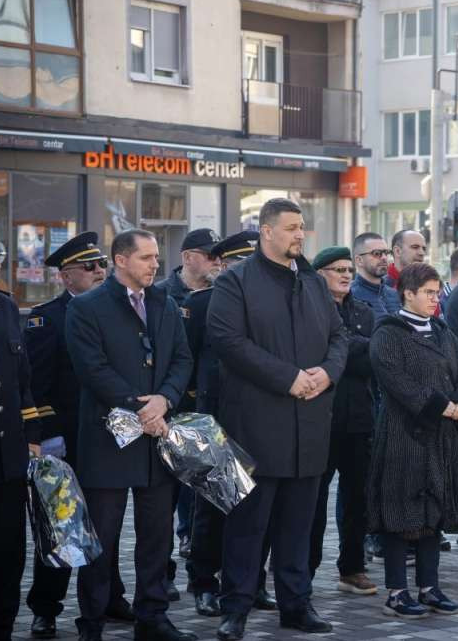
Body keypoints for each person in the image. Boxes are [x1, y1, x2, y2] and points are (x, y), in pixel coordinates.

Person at [207, 199, 347, 640]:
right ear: (266, 231)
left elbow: (339, 336)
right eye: (290, 227)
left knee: (298, 527)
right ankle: (236, 608)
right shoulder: (235, 281)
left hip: (309, 426)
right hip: (257, 426)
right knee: (247, 528)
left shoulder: (312, 282)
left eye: (301, 227)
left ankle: (296, 605)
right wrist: (288, 378)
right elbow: (228, 341)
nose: (299, 234)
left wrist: (327, 373)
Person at [65, 229, 195, 641]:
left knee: (157, 536)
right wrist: (142, 407)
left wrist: (165, 399)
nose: (156, 264)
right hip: (107, 443)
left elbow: (182, 359)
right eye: (146, 257)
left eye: (156, 257)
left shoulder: (164, 303)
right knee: (101, 538)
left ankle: (152, 617)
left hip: (156, 441)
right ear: (120, 260)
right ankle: (92, 621)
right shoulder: (87, 307)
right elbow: (92, 369)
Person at [23, 233, 135, 638]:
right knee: (60, 524)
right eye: (90, 267)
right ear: (65, 276)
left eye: (102, 264)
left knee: (107, 524)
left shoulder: (118, 310)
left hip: (106, 436)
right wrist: (49, 436)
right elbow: (36, 384)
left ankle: (110, 597)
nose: (100, 271)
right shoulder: (47, 318)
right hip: (67, 438)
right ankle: (46, 607)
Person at [368, 263, 458, 617]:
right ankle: (397, 592)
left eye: (437, 291)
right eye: (428, 292)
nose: (435, 299)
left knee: (435, 510)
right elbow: (397, 381)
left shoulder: (442, 331)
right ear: (408, 293)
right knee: (401, 512)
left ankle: (430, 587)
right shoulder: (389, 332)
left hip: (444, 438)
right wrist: (443, 406)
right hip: (405, 435)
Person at [181, 232, 276, 618]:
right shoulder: (200, 303)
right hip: (215, 419)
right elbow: (185, 361)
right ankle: (204, 582)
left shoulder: (270, 304)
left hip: (261, 417)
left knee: (259, 510)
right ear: (222, 265)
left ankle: (252, 583)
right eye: (238, 263)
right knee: (213, 507)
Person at [155, 228, 221, 597]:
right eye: (210, 255)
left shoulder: (219, 297)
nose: (216, 262)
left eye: (219, 256)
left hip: (209, 412)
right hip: (173, 411)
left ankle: (201, 573)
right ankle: (161, 576)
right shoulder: (162, 295)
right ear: (188, 257)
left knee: (204, 500)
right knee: (162, 502)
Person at [309, 246, 378, 596]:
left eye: (349, 270)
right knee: (313, 500)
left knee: (357, 499)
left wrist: (350, 349)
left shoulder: (363, 310)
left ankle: (352, 568)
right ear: (320, 274)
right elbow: (324, 353)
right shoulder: (310, 308)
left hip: (360, 419)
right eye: (338, 269)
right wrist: (355, 348)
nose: (346, 275)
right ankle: (303, 569)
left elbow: (372, 359)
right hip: (321, 418)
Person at [0, 219, 42, 641]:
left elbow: (22, 380)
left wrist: (33, 437)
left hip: (8, 459)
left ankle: (1, 628)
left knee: (8, 553)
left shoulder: (4, 307)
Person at [351, 232, 401, 320]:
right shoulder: (349, 296)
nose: (384, 258)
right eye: (377, 253)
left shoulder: (395, 295)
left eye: (386, 253)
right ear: (359, 260)